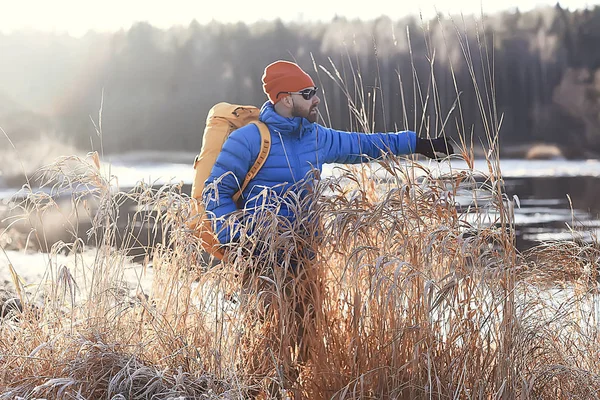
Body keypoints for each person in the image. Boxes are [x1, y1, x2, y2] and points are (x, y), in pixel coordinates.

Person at [201, 60, 454, 395]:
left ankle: (290, 391)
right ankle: (253, 391)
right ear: (285, 98)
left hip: (305, 257)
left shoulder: (316, 137)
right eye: (308, 93)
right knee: (266, 339)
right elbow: (214, 191)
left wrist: (419, 144)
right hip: (260, 261)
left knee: (306, 339)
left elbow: (364, 145)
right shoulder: (249, 139)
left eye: (315, 91)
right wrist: (237, 241)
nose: (316, 99)